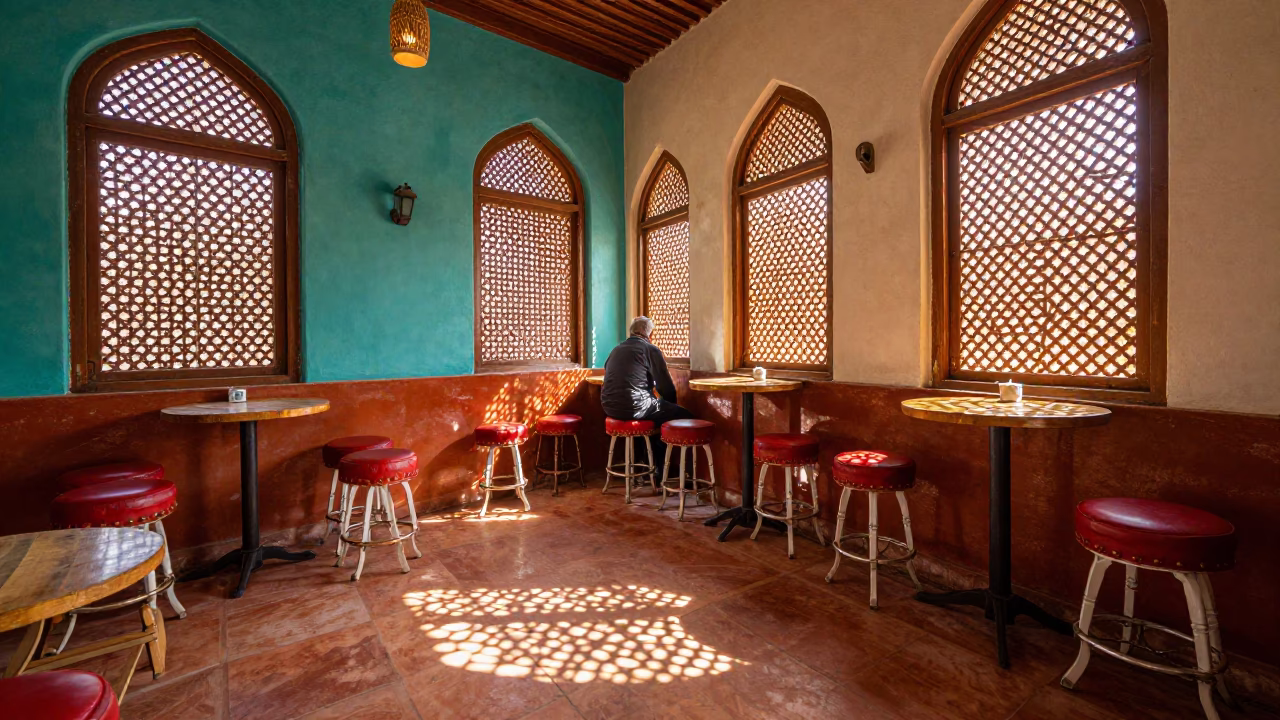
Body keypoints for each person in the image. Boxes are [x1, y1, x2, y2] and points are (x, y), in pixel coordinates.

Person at [601, 316, 693, 470]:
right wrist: (671, 405)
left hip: (609, 407)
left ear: (631, 332)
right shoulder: (651, 349)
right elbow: (666, 388)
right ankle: (667, 471)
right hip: (636, 407)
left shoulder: (616, 350)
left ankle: (644, 466)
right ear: (650, 335)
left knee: (654, 413)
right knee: (684, 416)